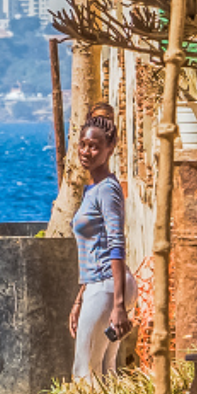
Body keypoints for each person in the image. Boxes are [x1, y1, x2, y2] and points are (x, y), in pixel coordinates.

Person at [68, 102, 135, 379]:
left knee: (85, 370)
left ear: (110, 148)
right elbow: (95, 249)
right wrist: (79, 299)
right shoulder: (94, 189)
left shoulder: (107, 190)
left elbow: (116, 245)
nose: (86, 151)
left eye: (94, 147)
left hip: (108, 287)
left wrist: (118, 306)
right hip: (99, 286)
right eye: (83, 145)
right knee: (105, 370)